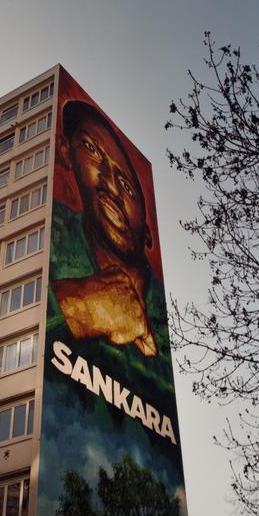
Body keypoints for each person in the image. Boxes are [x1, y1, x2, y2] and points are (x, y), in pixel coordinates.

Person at [51, 100, 158, 357]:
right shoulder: (51, 231)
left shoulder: (164, 314)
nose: (110, 185)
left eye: (127, 187)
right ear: (66, 153)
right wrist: (77, 306)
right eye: (91, 149)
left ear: (147, 234)